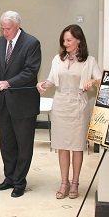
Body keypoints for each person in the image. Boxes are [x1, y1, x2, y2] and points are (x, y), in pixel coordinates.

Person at [36, 24, 101, 199]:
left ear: (79, 40)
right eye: (64, 40)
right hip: (61, 105)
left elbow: (100, 78)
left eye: (69, 40)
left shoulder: (90, 60)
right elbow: (51, 80)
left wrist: (92, 82)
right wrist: (43, 85)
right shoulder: (58, 59)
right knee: (63, 146)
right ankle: (64, 182)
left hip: (79, 107)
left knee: (77, 147)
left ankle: (75, 182)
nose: (65, 43)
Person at [0, 10, 41, 198]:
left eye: (8, 29)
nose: (5, 33)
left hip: (24, 105)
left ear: (18, 25)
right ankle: (9, 178)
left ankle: (20, 182)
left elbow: (30, 71)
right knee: (7, 144)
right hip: (4, 104)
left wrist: (8, 83)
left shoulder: (31, 43)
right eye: (3, 28)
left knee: (23, 146)